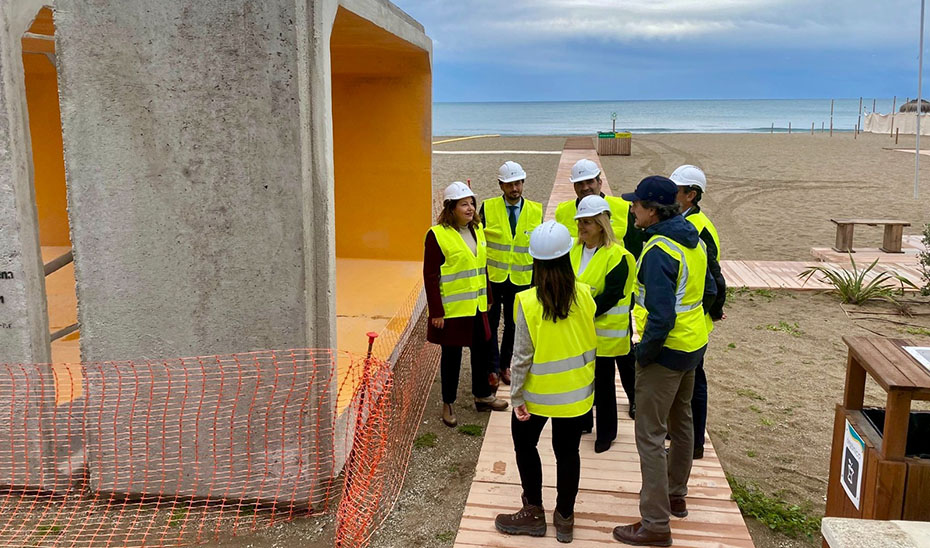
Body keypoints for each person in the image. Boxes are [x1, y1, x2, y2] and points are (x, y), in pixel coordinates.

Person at [613, 176, 716, 547]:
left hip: (665, 352)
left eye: (637, 204)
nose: (632, 209)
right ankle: (676, 495)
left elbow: (660, 316)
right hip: (693, 344)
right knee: (682, 421)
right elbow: (711, 289)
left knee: (651, 436)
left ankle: (655, 524)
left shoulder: (659, 250)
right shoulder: (693, 239)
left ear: (653, 210)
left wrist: (643, 353)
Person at [494, 220, 597, 544]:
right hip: (576, 395)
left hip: (536, 396)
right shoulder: (585, 294)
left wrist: (516, 397)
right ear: (567, 256)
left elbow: (521, 357)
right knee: (568, 453)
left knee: (525, 446)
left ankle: (533, 512)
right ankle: (564, 517)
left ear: (535, 261)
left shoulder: (527, 302)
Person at [554, 158, 643, 414]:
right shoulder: (563, 212)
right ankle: (588, 402)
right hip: (581, 295)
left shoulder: (621, 208)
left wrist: (629, 287)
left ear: (599, 181)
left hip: (615, 294)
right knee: (587, 356)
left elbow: (635, 248)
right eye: (579, 183)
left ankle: (634, 398)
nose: (585, 187)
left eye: (589, 181)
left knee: (622, 352)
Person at [424, 181, 508, 428]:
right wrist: (436, 312)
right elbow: (430, 276)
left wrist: (488, 297)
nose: (470, 208)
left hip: (477, 306)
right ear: (451, 208)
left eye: (471, 203)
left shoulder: (477, 230)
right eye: (464, 204)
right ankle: (448, 403)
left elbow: (482, 267)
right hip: (453, 310)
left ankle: (482, 395)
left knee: (482, 351)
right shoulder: (437, 235)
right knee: (452, 358)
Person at [570, 195, 635, 454]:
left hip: (606, 335)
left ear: (601, 224)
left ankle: (606, 433)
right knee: (582, 380)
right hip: (579, 331)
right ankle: (584, 422)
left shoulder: (618, 256)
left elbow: (612, 295)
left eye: (587, 222)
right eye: (580, 222)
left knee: (605, 385)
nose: (581, 227)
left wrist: (579, 312)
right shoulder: (574, 250)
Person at [670, 164, 726, 460]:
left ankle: (694, 443)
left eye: (675, 190)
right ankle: (682, 435)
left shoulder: (698, 227)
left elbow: (714, 279)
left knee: (694, 382)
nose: (670, 195)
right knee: (684, 383)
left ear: (691, 195)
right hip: (688, 319)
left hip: (694, 321)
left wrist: (714, 310)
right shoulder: (684, 220)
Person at [480, 161, 544, 389]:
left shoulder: (536, 211)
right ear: (501, 185)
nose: (514, 188)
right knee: (491, 322)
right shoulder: (488, 208)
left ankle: (505, 365)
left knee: (514, 324)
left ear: (523, 183)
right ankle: (492, 367)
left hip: (522, 279)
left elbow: (539, 248)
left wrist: (537, 281)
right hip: (493, 279)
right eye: (509, 184)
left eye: (517, 183)